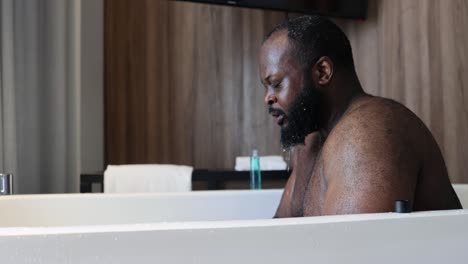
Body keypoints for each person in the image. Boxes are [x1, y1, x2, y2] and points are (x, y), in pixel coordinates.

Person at [259, 15, 462, 217]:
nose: (268, 98)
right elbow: (280, 230)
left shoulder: (363, 135)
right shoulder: (312, 141)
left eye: (276, 84)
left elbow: (356, 247)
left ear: (322, 72)